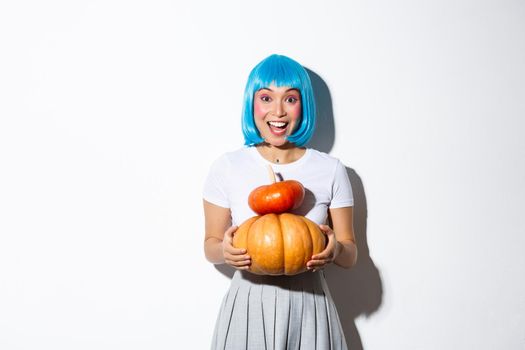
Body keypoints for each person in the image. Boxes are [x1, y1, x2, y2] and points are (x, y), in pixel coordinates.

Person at [203, 54, 358, 350]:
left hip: (310, 304)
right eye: (266, 98)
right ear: (252, 104)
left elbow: (351, 254)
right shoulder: (227, 167)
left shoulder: (330, 170)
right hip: (248, 301)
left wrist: (335, 248)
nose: (278, 111)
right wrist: (223, 249)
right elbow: (210, 245)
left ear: (304, 106)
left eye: (290, 99)